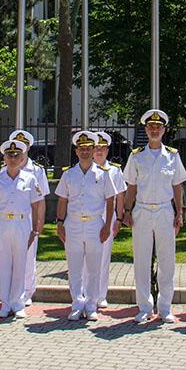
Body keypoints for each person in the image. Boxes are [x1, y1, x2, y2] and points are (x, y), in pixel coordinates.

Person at [122, 109, 186, 324]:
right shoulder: (136, 156)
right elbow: (131, 186)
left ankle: (165, 307)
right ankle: (144, 307)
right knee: (141, 261)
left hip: (164, 211)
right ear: (145, 129)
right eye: (151, 127)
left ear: (164, 130)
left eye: (158, 127)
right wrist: (127, 211)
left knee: (167, 261)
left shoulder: (173, 155)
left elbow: (177, 186)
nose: (154, 130)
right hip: (141, 210)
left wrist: (179, 212)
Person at [55, 131, 116, 321]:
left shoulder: (103, 174)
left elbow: (110, 200)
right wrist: (59, 223)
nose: (85, 152)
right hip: (72, 223)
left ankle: (91, 305)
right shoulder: (68, 174)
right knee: (74, 267)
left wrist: (107, 225)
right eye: (81, 149)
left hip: (94, 224)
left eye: (88, 149)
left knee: (94, 268)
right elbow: (62, 200)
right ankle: (76, 303)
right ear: (76, 151)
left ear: (93, 150)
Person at [0, 139, 45, 319]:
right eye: (9, 156)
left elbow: (36, 205)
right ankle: (5, 304)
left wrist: (34, 229)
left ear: (22, 158)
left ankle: (18, 303)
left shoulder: (30, 179)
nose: (13, 159)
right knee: (4, 264)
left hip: (21, 223)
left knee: (20, 263)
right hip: (2, 223)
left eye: (16, 155)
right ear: (4, 158)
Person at [83, 130, 126, 309]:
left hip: (107, 216)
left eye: (103, 148)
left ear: (108, 150)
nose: (99, 151)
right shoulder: (84, 169)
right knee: (85, 257)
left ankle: (101, 295)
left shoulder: (115, 170)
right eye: (96, 148)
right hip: (87, 217)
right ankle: (85, 293)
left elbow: (120, 196)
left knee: (103, 257)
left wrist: (119, 219)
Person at [6, 129, 49, 306]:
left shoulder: (37, 170)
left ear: (28, 148)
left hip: (29, 218)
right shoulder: (5, 168)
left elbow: (41, 199)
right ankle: (11, 292)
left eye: (23, 146)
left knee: (28, 257)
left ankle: (27, 291)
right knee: (9, 257)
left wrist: (39, 222)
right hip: (8, 219)